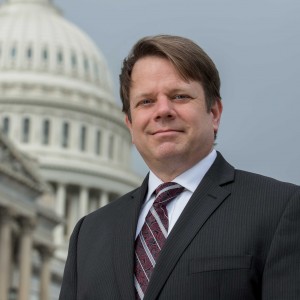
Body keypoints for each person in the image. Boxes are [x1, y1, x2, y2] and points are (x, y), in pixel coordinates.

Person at [59, 35, 300, 300]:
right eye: (146, 101)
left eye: (180, 96)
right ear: (129, 123)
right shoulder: (89, 234)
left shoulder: (280, 208)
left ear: (214, 113)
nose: (163, 110)